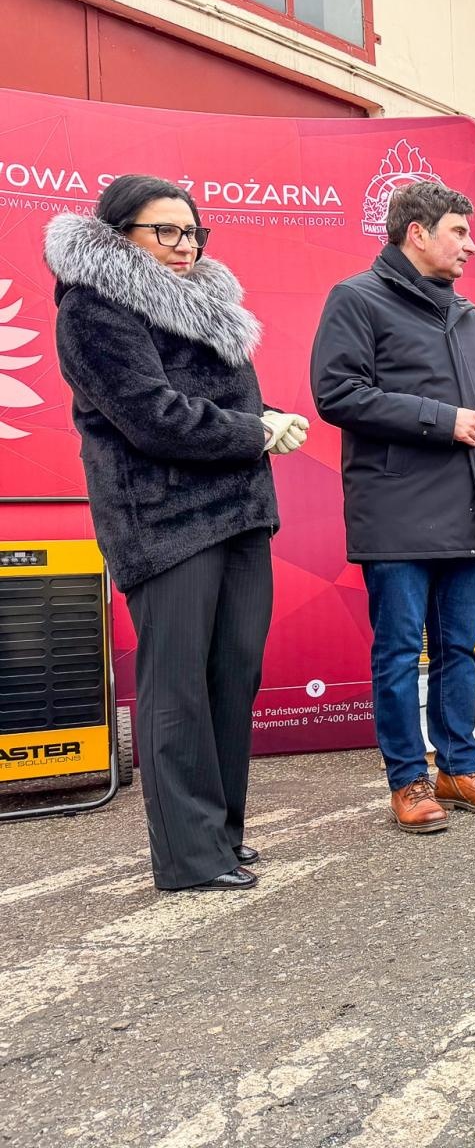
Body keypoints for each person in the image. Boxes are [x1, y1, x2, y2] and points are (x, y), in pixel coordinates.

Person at [46, 174, 308, 892]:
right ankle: (189, 857)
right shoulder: (93, 308)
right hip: (162, 520)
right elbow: (152, 417)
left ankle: (222, 835)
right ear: (118, 235)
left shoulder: (206, 303)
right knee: (177, 686)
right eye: (165, 231)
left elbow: (217, 402)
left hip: (239, 511)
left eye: (192, 231)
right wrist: (255, 432)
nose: (185, 244)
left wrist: (264, 419)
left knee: (232, 677)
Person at [311, 181, 475, 831]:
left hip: (465, 508)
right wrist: (443, 419)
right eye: (459, 231)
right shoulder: (356, 298)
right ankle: (408, 780)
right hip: (395, 511)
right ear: (418, 234)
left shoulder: (467, 314)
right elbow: (336, 393)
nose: (470, 245)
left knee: (460, 649)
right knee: (400, 653)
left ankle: (459, 769)